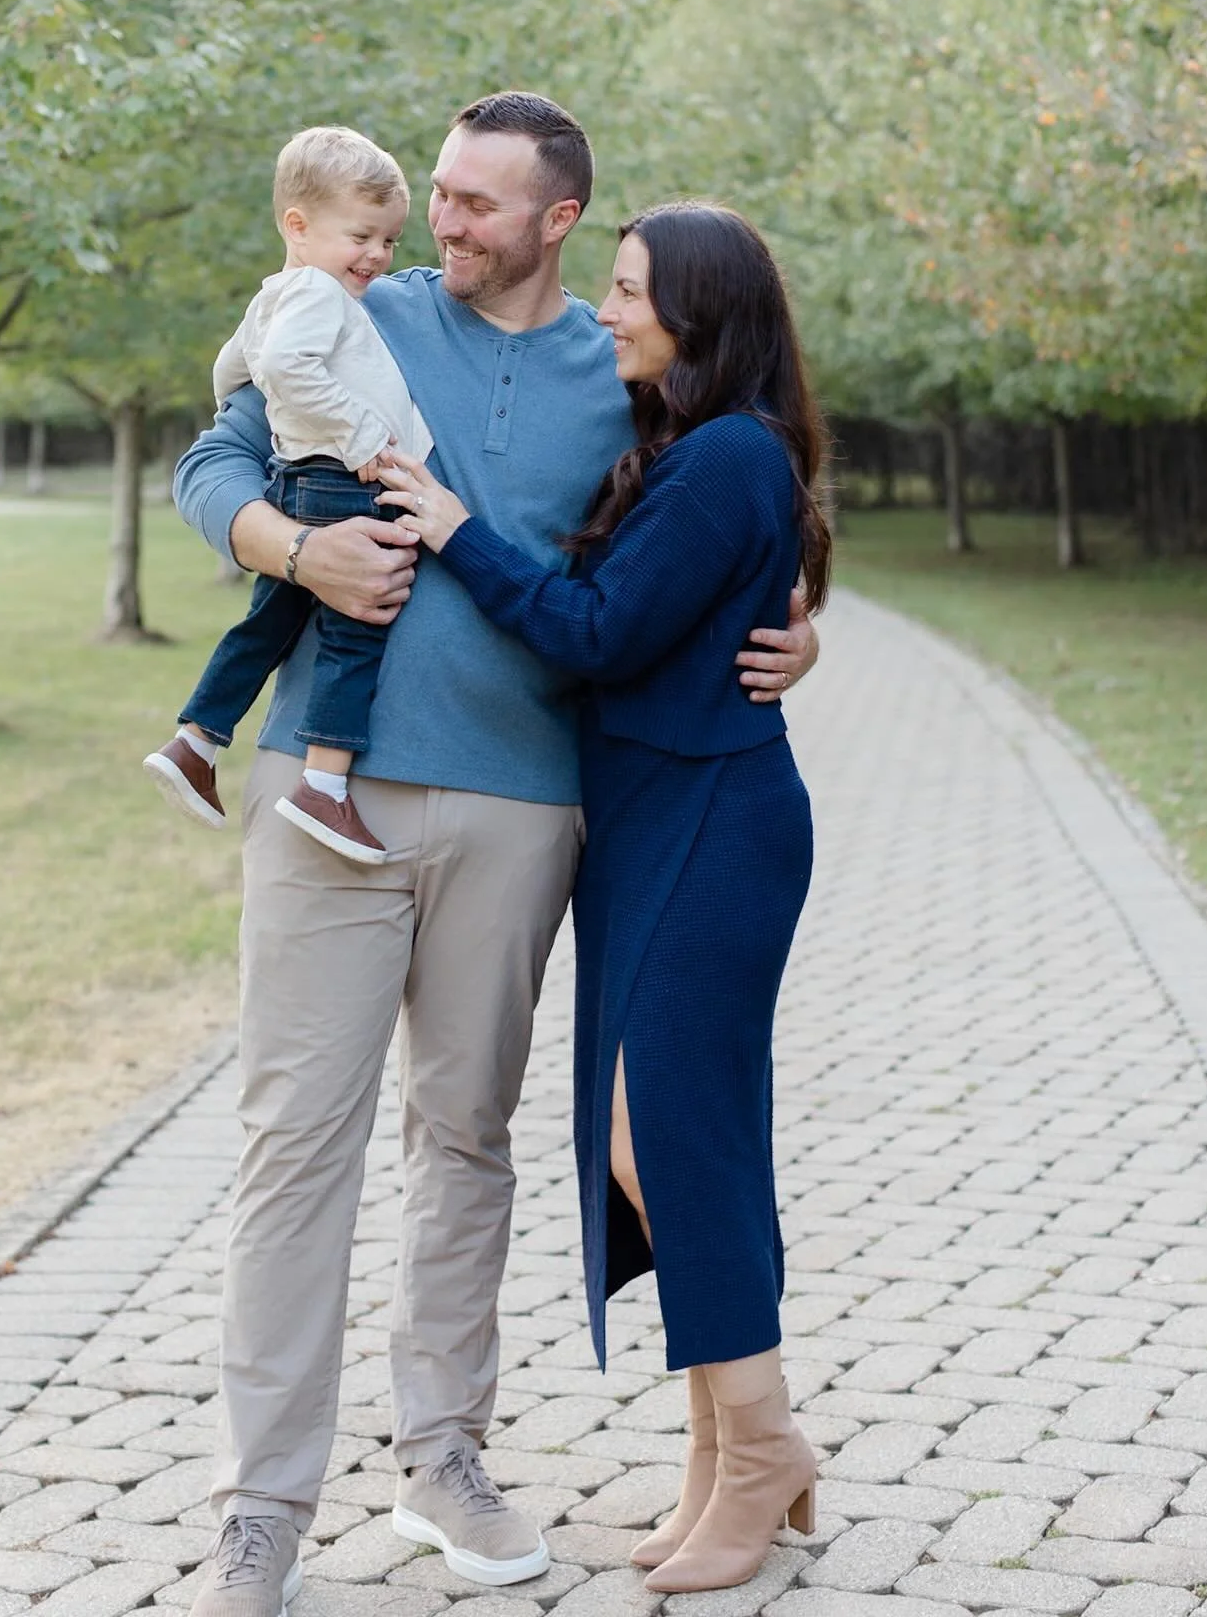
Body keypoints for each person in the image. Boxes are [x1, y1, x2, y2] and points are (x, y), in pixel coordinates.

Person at [171, 94, 820, 1617]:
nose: (442, 227)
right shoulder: (353, 313)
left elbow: (731, 523)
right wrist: (290, 546)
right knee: (293, 1147)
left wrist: (800, 638)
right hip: (329, 800)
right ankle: (261, 1507)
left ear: (559, 222)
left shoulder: (631, 376)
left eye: (475, 206)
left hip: (531, 812)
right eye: (437, 197)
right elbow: (215, 464)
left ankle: (443, 1457)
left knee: (467, 1144)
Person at [377, 201, 830, 1595]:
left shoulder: (724, 462)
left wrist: (454, 527)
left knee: (665, 1147)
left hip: (709, 822)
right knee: (684, 1145)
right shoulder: (696, 454)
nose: (609, 312)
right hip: (654, 826)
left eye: (630, 292)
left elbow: (595, 633)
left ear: (703, 313)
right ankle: (723, 1455)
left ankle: (762, 1448)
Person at [143, 126, 431, 862]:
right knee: (357, 628)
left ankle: (195, 741)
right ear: (298, 228)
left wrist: (256, 410)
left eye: (390, 241)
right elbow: (283, 365)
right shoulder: (319, 293)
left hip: (297, 479)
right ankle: (324, 790)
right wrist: (364, 434)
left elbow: (235, 366)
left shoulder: (276, 291)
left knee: (268, 624)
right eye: (362, 235)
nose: (378, 255)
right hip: (342, 481)